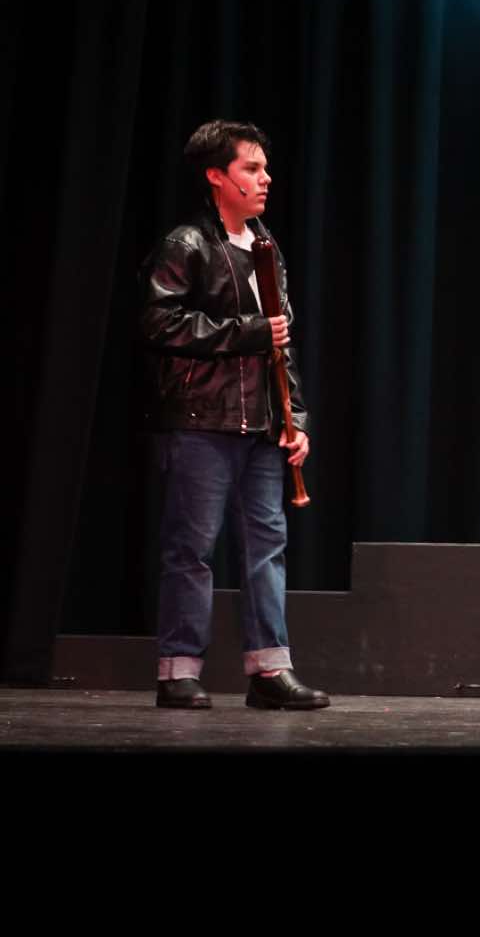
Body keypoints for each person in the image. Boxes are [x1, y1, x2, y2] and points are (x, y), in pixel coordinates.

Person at [140, 120, 327, 710]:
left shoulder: (267, 248)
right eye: (252, 168)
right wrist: (246, 332)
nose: (265, 178)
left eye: (265, 167)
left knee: (267, 547)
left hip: (262, 428)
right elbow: (158, 322)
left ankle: (270, 670)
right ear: (216, 176)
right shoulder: (187, 244)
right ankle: (178, 670)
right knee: (191, 549)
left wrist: (296, 419)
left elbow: (282, 345)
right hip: (200, 420)